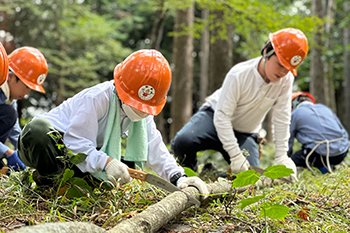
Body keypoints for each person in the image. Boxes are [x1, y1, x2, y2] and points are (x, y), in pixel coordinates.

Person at [17, 49, 209, 197]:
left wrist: (178, 177)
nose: (141, 112)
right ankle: (48, 185)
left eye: (146, 109)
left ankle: (70, 183)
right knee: (38, 130)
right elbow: (75, 142)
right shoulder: (97, 98)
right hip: (43, 145)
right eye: (137, 106)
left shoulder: (144, 111)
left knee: (127, 165)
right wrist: (106, 162)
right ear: (121, 90)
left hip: (77, 155)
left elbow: (154, 147)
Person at [171, 28, 309, 181]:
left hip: (245, 133)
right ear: (266, 52)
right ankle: (189, 176)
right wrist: (235, 155)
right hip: (214, 119)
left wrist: (282, 157)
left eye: (288, 68)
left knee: (250, 178)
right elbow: (222, 116)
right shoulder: (239, 74)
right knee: (183, 141)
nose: (283, 72)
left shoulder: (286, 80)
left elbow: (282, 118)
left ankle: (213, 175)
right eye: (280, 64)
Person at [0, 46, 48, 173]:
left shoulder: (10, 100)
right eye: (26, 86)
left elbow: (15, 133)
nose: (27, 93)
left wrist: (28, 156)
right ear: (10, 76)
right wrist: (8, 152)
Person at [288, 92, 349, 174]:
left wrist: (286, 158)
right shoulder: (325, 108)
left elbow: (288, 139)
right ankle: (327, 167)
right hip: (341, 153)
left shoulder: (295, 114)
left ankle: (322, 169)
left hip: (319, 156)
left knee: (293, 160)